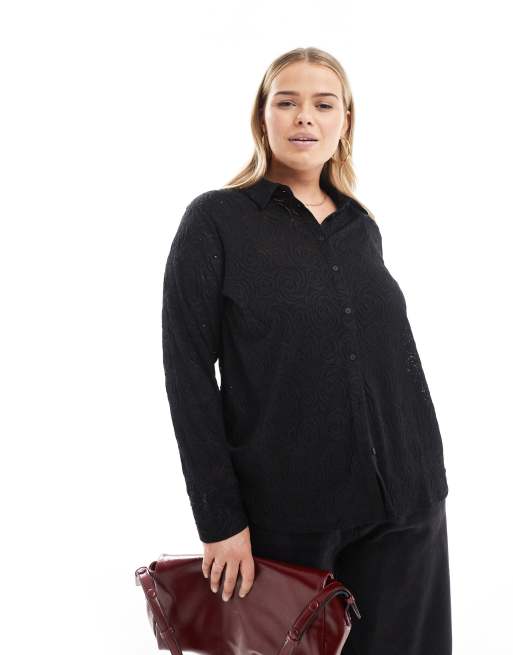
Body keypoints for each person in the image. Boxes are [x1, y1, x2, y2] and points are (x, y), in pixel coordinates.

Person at [162, 47, 452, 654]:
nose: (305, 118)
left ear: (345, 121)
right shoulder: (216, 221)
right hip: (287, 518)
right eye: (287, 102)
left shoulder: (359, 225)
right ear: (261, 117)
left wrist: (422, 472)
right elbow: (188, 374)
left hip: (405, 504)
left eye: (323, 104)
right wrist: (219, 520)